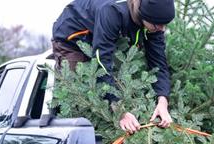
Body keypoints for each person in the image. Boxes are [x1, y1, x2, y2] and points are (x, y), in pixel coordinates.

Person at [51, 0, 174, 133]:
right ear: (143, 14)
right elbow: (101, 62)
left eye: (165, 25)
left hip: (104, 28)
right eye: (157, 25)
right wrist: (119, 111)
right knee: (77, 87)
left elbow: (158, 62)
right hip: (73, 35)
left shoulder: (155, 20)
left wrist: (163, 101)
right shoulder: (112, 11)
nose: (162, 29)